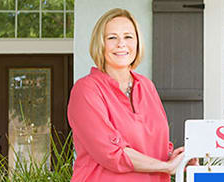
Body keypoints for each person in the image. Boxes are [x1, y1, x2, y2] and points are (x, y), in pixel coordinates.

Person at [67, 8, 195, 182]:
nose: (121, 44)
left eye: (128, 37)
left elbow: (155, 145)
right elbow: (112, 153)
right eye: (112, 38)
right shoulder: (86, 90)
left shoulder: (146, 86)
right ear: (100, 44)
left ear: (137, 43)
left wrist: (175, 158)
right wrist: (165, 167)